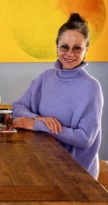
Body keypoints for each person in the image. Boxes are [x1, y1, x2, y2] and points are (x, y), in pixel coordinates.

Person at [11, 13, 104, 179]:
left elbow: (85, 139)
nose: (69, 53)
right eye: (64, 47)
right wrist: (39, 119)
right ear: (56, 47)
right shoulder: (45, 77)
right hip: (42, 164)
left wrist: (37, 125)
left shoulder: (91, 87)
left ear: (86, 50)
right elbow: (17, 107)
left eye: (77, 48)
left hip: (75, 175)